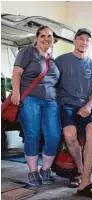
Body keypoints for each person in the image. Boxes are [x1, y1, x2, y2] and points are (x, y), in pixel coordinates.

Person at [55, 28, 92, 200]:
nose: (84, 42)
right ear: (74, 40)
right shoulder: (61, 61)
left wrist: (89, 105)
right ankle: (80, 169)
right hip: (66, 105)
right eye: (81, 39)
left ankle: (85, 181)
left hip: (86, 105)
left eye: (87, 40)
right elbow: (50, 82)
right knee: (69, 136)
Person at [11, 26, 61, 187]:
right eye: (43, 35)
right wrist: (16, 93)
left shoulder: (52, 59)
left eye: (50, 36)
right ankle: (33, 172)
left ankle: (45, 170)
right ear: (36, 37)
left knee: (53, 135)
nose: (47, 38)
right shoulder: (28, 52)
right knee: (32, 135)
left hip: (50, 101)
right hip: (31, 98)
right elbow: (17, 72)